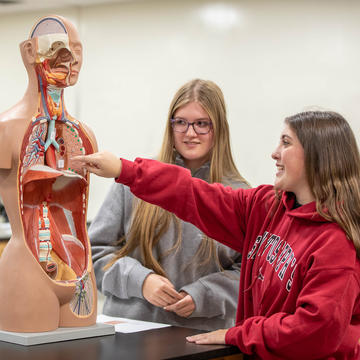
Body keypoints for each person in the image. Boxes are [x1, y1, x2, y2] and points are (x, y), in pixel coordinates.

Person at [75, 110, 360, 359]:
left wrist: (238, 334)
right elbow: (192, 193)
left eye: (286, 143)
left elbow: (315, 332)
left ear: (317, 156)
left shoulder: (336, 242)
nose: (274, 153)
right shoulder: (266, 207)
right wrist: (126, 170)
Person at [88, 79, 250, 330]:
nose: (190, 133)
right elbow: (94, 253)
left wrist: (203, 295)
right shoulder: (134, 180)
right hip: (129, 330)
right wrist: (141, 281)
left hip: (201, 336)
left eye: (202, 124)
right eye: (181, 122)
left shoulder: (239, 195)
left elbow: (249, 274)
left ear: (219, 128)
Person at [0, 15, 98, 332]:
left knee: (86, 353)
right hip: (26, 270)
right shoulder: (5, 129)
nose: (72, 57)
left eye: (77, 48)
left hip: (80, 270)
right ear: (29, 52)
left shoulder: (85, 135)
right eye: (58, 45)